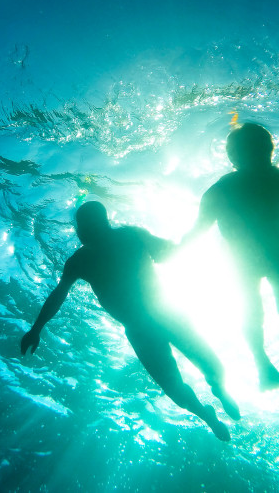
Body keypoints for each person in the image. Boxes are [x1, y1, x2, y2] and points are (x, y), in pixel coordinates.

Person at [21, 201, 240, 441]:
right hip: (145, 327)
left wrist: (36, 329)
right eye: (81, 226)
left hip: (165, 314)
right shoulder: (81, 260)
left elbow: (168, 252)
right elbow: (58, 295)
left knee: (209, 366)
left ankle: (220, 391)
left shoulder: (127, 237)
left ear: (101, 223)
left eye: (85, 225)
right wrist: (36, 328)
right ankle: (206, 415)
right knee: (175, 387)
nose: (81, 231)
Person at [183, 122, 279, 390]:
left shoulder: (222, 188)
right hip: (260, 258)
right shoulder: (226, 187)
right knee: (250, 311)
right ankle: (262, 365)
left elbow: (197, 232)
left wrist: (172, 251)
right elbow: (197, 231)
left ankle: (262, 366)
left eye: (232, 150)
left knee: (250, 312)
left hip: (243, 262)